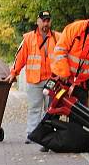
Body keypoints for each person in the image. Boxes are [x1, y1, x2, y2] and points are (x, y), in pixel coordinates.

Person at [4, 11, 61, 150]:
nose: (46, 23)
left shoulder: (57, 37)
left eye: (48, 21)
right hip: (35, 80)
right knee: (34, 108)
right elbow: (21, 57)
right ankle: (32, 134)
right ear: (38, 21)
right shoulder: (29, 38)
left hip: (52, 80)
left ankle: (47, 135)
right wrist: (14, 73)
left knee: (51, 110)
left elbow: (63, 55)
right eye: (43, 20)